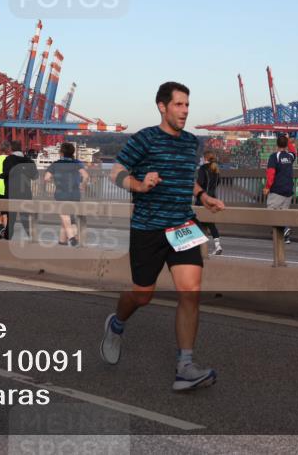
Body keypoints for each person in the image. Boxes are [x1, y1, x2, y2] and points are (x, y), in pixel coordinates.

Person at [100, 82, 225, 391]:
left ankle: (185, 367)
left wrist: (203, 195)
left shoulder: (190, 142)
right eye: (179, 105)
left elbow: (185, 178)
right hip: (148, 228)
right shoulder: (145, 139)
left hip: (182, 225)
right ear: (162, 106)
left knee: (191, 291)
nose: (185, 111)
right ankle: (116, 323)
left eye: (187, 105)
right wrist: (140, 185)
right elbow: (114, 172)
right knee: (143, 295)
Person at [44, 142, 89, 246]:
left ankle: (72, 238)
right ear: (73, 152)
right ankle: (62, 242)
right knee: (69, 219)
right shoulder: (77, 163)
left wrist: (53, 180)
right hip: (75, 195)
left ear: (61, 152)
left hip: (61, 194)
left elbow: (46, 178)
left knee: (65, 217)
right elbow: (86, 176)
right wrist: (82, 184)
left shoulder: (56, 164)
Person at [263, 135, 296, 244]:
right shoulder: (290, 156)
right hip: (289, 189)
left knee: (271, 211)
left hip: (277, 189)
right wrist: (289, 141)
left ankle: (285, 229)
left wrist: (267, 187)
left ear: (277, 144)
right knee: (283, 213)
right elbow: (294, 151)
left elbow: (271, 173)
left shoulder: (274, 156)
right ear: (286, 145)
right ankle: (286, 237)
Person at [1, 140, 37, 240]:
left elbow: (6, 174)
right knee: (26, 219)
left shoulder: (8, 160)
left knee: (10, 221)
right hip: (25, 194)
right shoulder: (29, 160)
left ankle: (7, 242)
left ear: (11, 148)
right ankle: (33, 240)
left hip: (11, 194)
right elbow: (35, 176)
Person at [194, 151, 223, 255]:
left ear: (204, 158)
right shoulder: (216, 169)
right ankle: (217, 245)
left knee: (196, 222)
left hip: (203, 200)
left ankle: (196, 248)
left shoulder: (203, 168)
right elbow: (218, 183)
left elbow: (200, 182)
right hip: (213, 198)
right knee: (210, 223)